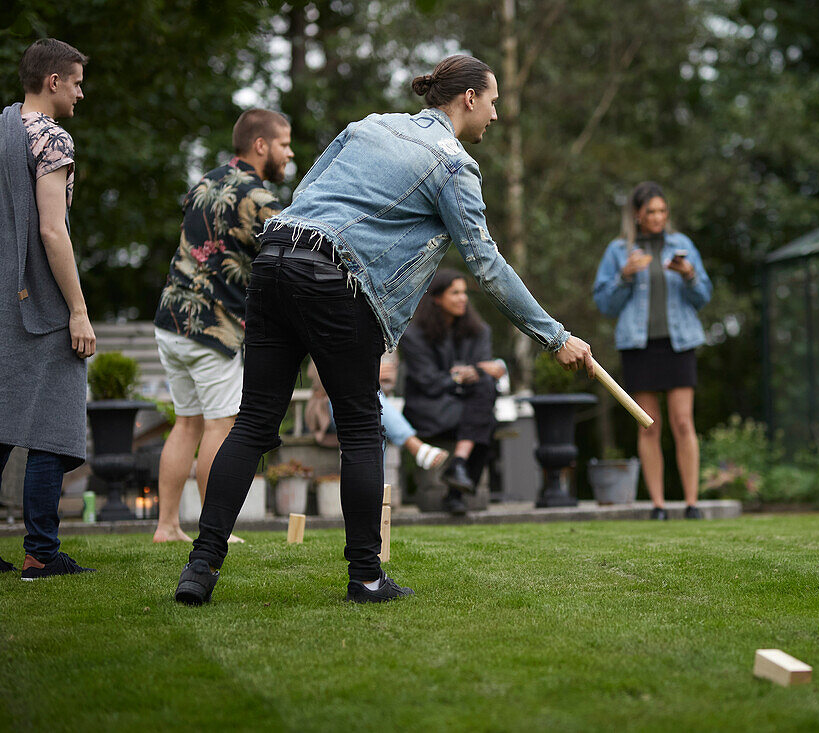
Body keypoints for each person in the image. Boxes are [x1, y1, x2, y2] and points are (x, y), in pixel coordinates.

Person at [174, 54, 593, 607]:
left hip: (274, 260)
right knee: (362, 430)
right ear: (468, 98)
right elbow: (485, 263)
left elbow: (305, 196)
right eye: (493, 101)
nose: (495, 114)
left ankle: (199, 569)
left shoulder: (367, 125)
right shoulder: (453, 165)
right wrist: (555, 336)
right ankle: (366, 578)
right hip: (334, 281)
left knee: (253, 423)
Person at [151, 109, 293, 544]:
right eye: (285, 144)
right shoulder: (259, 199)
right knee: (218, 427)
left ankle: (166, 526)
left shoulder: (205, 182)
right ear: (261, 145)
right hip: (213, 329)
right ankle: (214, 532)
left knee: (186, 424)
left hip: (172, 320)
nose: (290, 154)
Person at [0, 39, 96, 578]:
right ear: (53, 81)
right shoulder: (50, 138)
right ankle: (41, 549)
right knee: (53, 424)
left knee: (1, 422)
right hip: (38, 301)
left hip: (0, 297)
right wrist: (77, 311)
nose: (81, 93)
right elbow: (51, 229)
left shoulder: (2, 128)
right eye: (77, 82)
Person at [593, 181, 712, 520]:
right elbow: (605, 303)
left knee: (683, 423)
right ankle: (658, 505)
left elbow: (703, 296)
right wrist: (624, 276)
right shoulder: (618, 250)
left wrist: (689, 275)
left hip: (680, 344)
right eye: (651, 212)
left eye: (663, 211)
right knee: (650, 425)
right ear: (637, 215)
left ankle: (691, 503)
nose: (658, 217)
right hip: (639, 346)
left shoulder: (682, 245)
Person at [401, 269, 507, 515]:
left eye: (464, 293)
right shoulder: (414, 334)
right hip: (429, 408)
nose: (463, 299)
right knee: (485, 420)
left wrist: (472, 374)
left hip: (465, 406)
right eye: (455, 293)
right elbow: (428, 383)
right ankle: (455, 492)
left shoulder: (479, 331)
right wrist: (465, 375)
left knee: (484, 393)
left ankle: (457, 469)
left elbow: (482, 377)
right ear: (436, 298)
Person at [304, 356, 449, 470]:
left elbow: (388, 384)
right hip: (330, 407)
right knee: (369, 406)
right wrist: (366, 375)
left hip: (372, 408)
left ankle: (374, 498)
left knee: (374, 422)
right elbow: (322, 379)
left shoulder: (384, 335)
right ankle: (414, 445)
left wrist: (377, 378)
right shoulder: (332, 329)